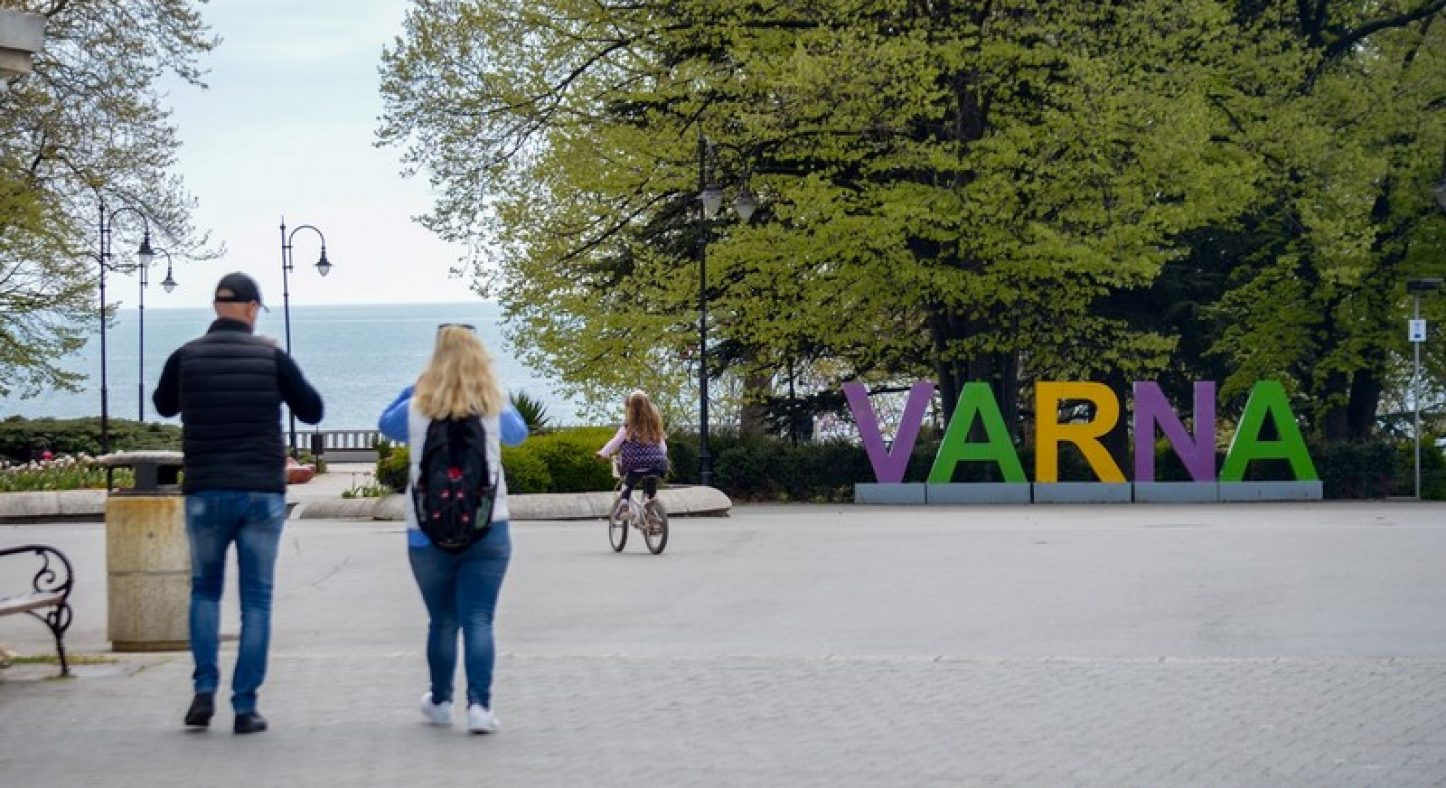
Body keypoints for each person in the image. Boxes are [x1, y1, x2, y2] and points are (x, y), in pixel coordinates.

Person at [152, 272, 324, 735]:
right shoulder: (270, 356)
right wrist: (278, 367)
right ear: (251, 309)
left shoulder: (186, 355)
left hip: (206, 490)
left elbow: (163, 406)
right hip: (261, 493)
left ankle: (204, 689)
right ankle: (245, 706)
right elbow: (312, 410)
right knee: (257, 600)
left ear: (216, 306)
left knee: (205, 591)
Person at [378, 324, 528, 734]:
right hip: (489, 526)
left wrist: (412, 389)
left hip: (425, 530)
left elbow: (385, 424)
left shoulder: (417, 406)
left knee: (443, 621)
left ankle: (441, 701)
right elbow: (519, 435)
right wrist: (497, 392)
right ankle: (480, 707)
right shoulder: (493, 405)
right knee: (479, 618)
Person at [596, 390, 669, 513]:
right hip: (656, 463)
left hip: (634, 464)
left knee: (628, 482)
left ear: (630, 408)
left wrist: (603, 453)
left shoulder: (628, 426)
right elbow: (662, 446)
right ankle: (652, 506)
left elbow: (615, 442)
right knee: (651, 481)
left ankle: (624, 502)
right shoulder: (653, 425)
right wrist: (661, 455)